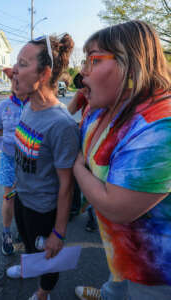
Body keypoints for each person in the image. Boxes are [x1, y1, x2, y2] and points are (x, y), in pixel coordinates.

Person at [73, 21, 171, 300]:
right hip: (121, 254)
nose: (81, 73)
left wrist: (76, 166)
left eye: (94, 60)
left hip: (160, 274)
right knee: (115, 289)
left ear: (130, 62)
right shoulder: (106, 106)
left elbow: (116, 207)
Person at [6, 34, 80, 300]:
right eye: (17, 62)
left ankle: (42, 292)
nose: (15, 70)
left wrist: (58, 231)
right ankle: (28, 267)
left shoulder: (62, 125)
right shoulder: (28, 106)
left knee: (49, 255)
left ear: (45, 73)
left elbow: (67, 185)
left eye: (23, 64)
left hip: (45, 210)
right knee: (28, 245)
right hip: (23, 200)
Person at [0, 67, 28, 256]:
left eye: (19, 80)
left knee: (26, 197)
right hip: (8, 158)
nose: (15, 84)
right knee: (9, 197)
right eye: (13, 80)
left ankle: (23, 229)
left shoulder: (36, 105)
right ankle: (6, 233)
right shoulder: (4, 105)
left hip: (30, 161)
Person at [67, 78, 97, 233]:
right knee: (77, 175)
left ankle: (93, 214)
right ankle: (74, 208)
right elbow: (69, 111)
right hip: (85, 139)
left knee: (96, 178)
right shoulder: (84, 92)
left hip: (101, 142)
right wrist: (81, 93)